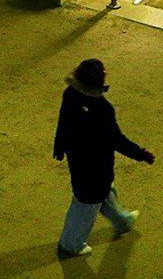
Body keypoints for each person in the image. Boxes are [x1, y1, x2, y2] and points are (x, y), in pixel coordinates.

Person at [53, 59, 152, 260]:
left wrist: (59, 146)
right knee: (86, 206)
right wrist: (141, 154)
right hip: (97, 166)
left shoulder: (70, 94)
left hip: (78, 160)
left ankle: (122, 221)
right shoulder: (103, 109)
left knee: (103, 192)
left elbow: (63, 121)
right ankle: (70, 245)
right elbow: (117, 140)